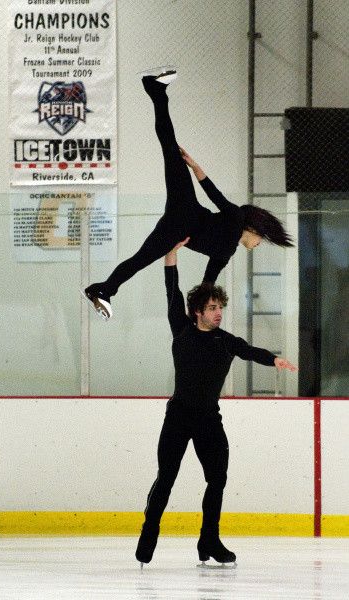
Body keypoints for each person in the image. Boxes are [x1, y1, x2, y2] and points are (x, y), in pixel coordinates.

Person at [135, 238, 297, 568]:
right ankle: (150, 528)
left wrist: (274, 359)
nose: (218, 312)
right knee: (166, 478)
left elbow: (249, 350)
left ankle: (209, 539)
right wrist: (171, 254)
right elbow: (172, 293)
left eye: (220, 307)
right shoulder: (181, 329)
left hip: (209, 418)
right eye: (212, 308)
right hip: (178, 416)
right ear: (198, 312)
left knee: (218, 478)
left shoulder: (225, 341)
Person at [83, 69, 293, 320]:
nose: (258, 245)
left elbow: (207, 285)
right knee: (170, 148)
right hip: (185, 209)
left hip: (177, 224)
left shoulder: (225, 254)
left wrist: (198, 315)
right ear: (255, 229)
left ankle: (103, 290)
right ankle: (156, 90)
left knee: (140, 259)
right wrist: (195, 167)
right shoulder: (235, 219)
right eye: (262, 240)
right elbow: (215, 195)